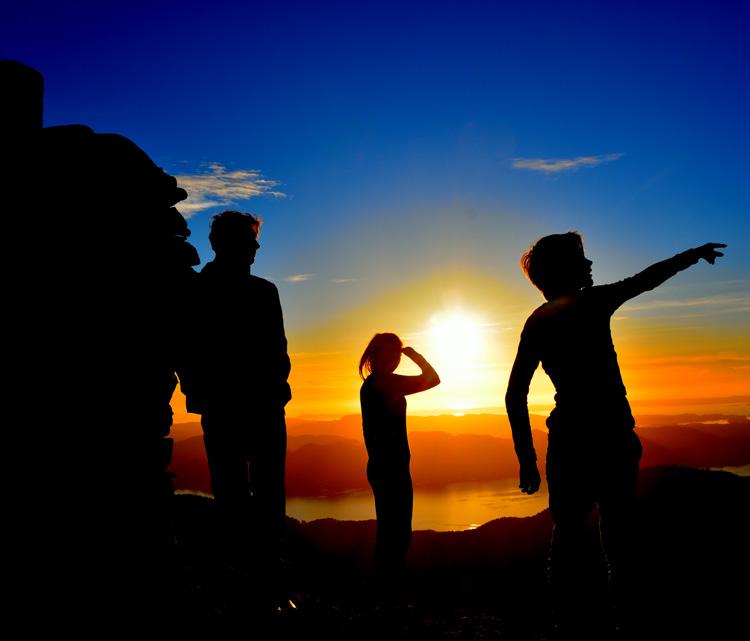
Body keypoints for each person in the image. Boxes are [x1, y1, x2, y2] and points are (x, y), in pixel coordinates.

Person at [504, 232, 726, 636]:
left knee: (571, 537)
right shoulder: (592, 302)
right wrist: (692, 255)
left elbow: (515, 394)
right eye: (581, 259)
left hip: (574, 438)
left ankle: (574, 626)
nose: (590, 265)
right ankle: (623, 624)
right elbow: (647, 278)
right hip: (609, 435)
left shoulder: (538, 321)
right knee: (618, 537)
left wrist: (527, 458)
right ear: (564, 269)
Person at [180, 210, 291, 600]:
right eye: (249, 241)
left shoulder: (257, 291)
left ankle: (263, 583)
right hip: (234, 408)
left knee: (261, 497)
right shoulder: (202, 290)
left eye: (255, 241)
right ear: (223, 244)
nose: (256, 248)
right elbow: (188, 350)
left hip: (251, 408)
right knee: (237, 496)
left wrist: (277, 392)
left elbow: (279, 352)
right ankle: (253, 586)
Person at [359, 333, 440, 596]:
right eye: (389, 353)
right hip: (390, 469)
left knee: (392, 533)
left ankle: (386, 595)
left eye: (397, 354)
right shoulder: (384, 383)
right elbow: (433, 379)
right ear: (375, 355)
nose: (394, 359)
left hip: (386, 467)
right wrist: (416, 357)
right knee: (397, 535)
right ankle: (388, 596)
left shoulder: (373, 384)